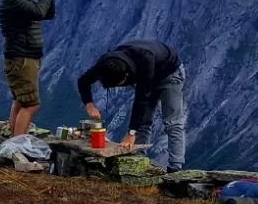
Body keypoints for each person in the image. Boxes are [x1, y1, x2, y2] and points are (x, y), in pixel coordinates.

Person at [76, 40, 186, 170]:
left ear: (127, 75)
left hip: (169, 74)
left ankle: (175, 168)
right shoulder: (104, 65)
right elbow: (83, 80)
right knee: (144, 123)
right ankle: (139, 163)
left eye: (120, 84)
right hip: (147, 73)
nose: (121, 86)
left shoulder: (145, 59)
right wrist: (89, 104)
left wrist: (131, 133)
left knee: (172, 122)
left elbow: (142, 100)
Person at [0, 0, 55, 137]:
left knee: (21, 102)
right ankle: (17, 146)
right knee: (31, 104)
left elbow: (47, 14)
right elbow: (38, 12)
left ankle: (13, 142)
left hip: (26, 57)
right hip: (22, 58)